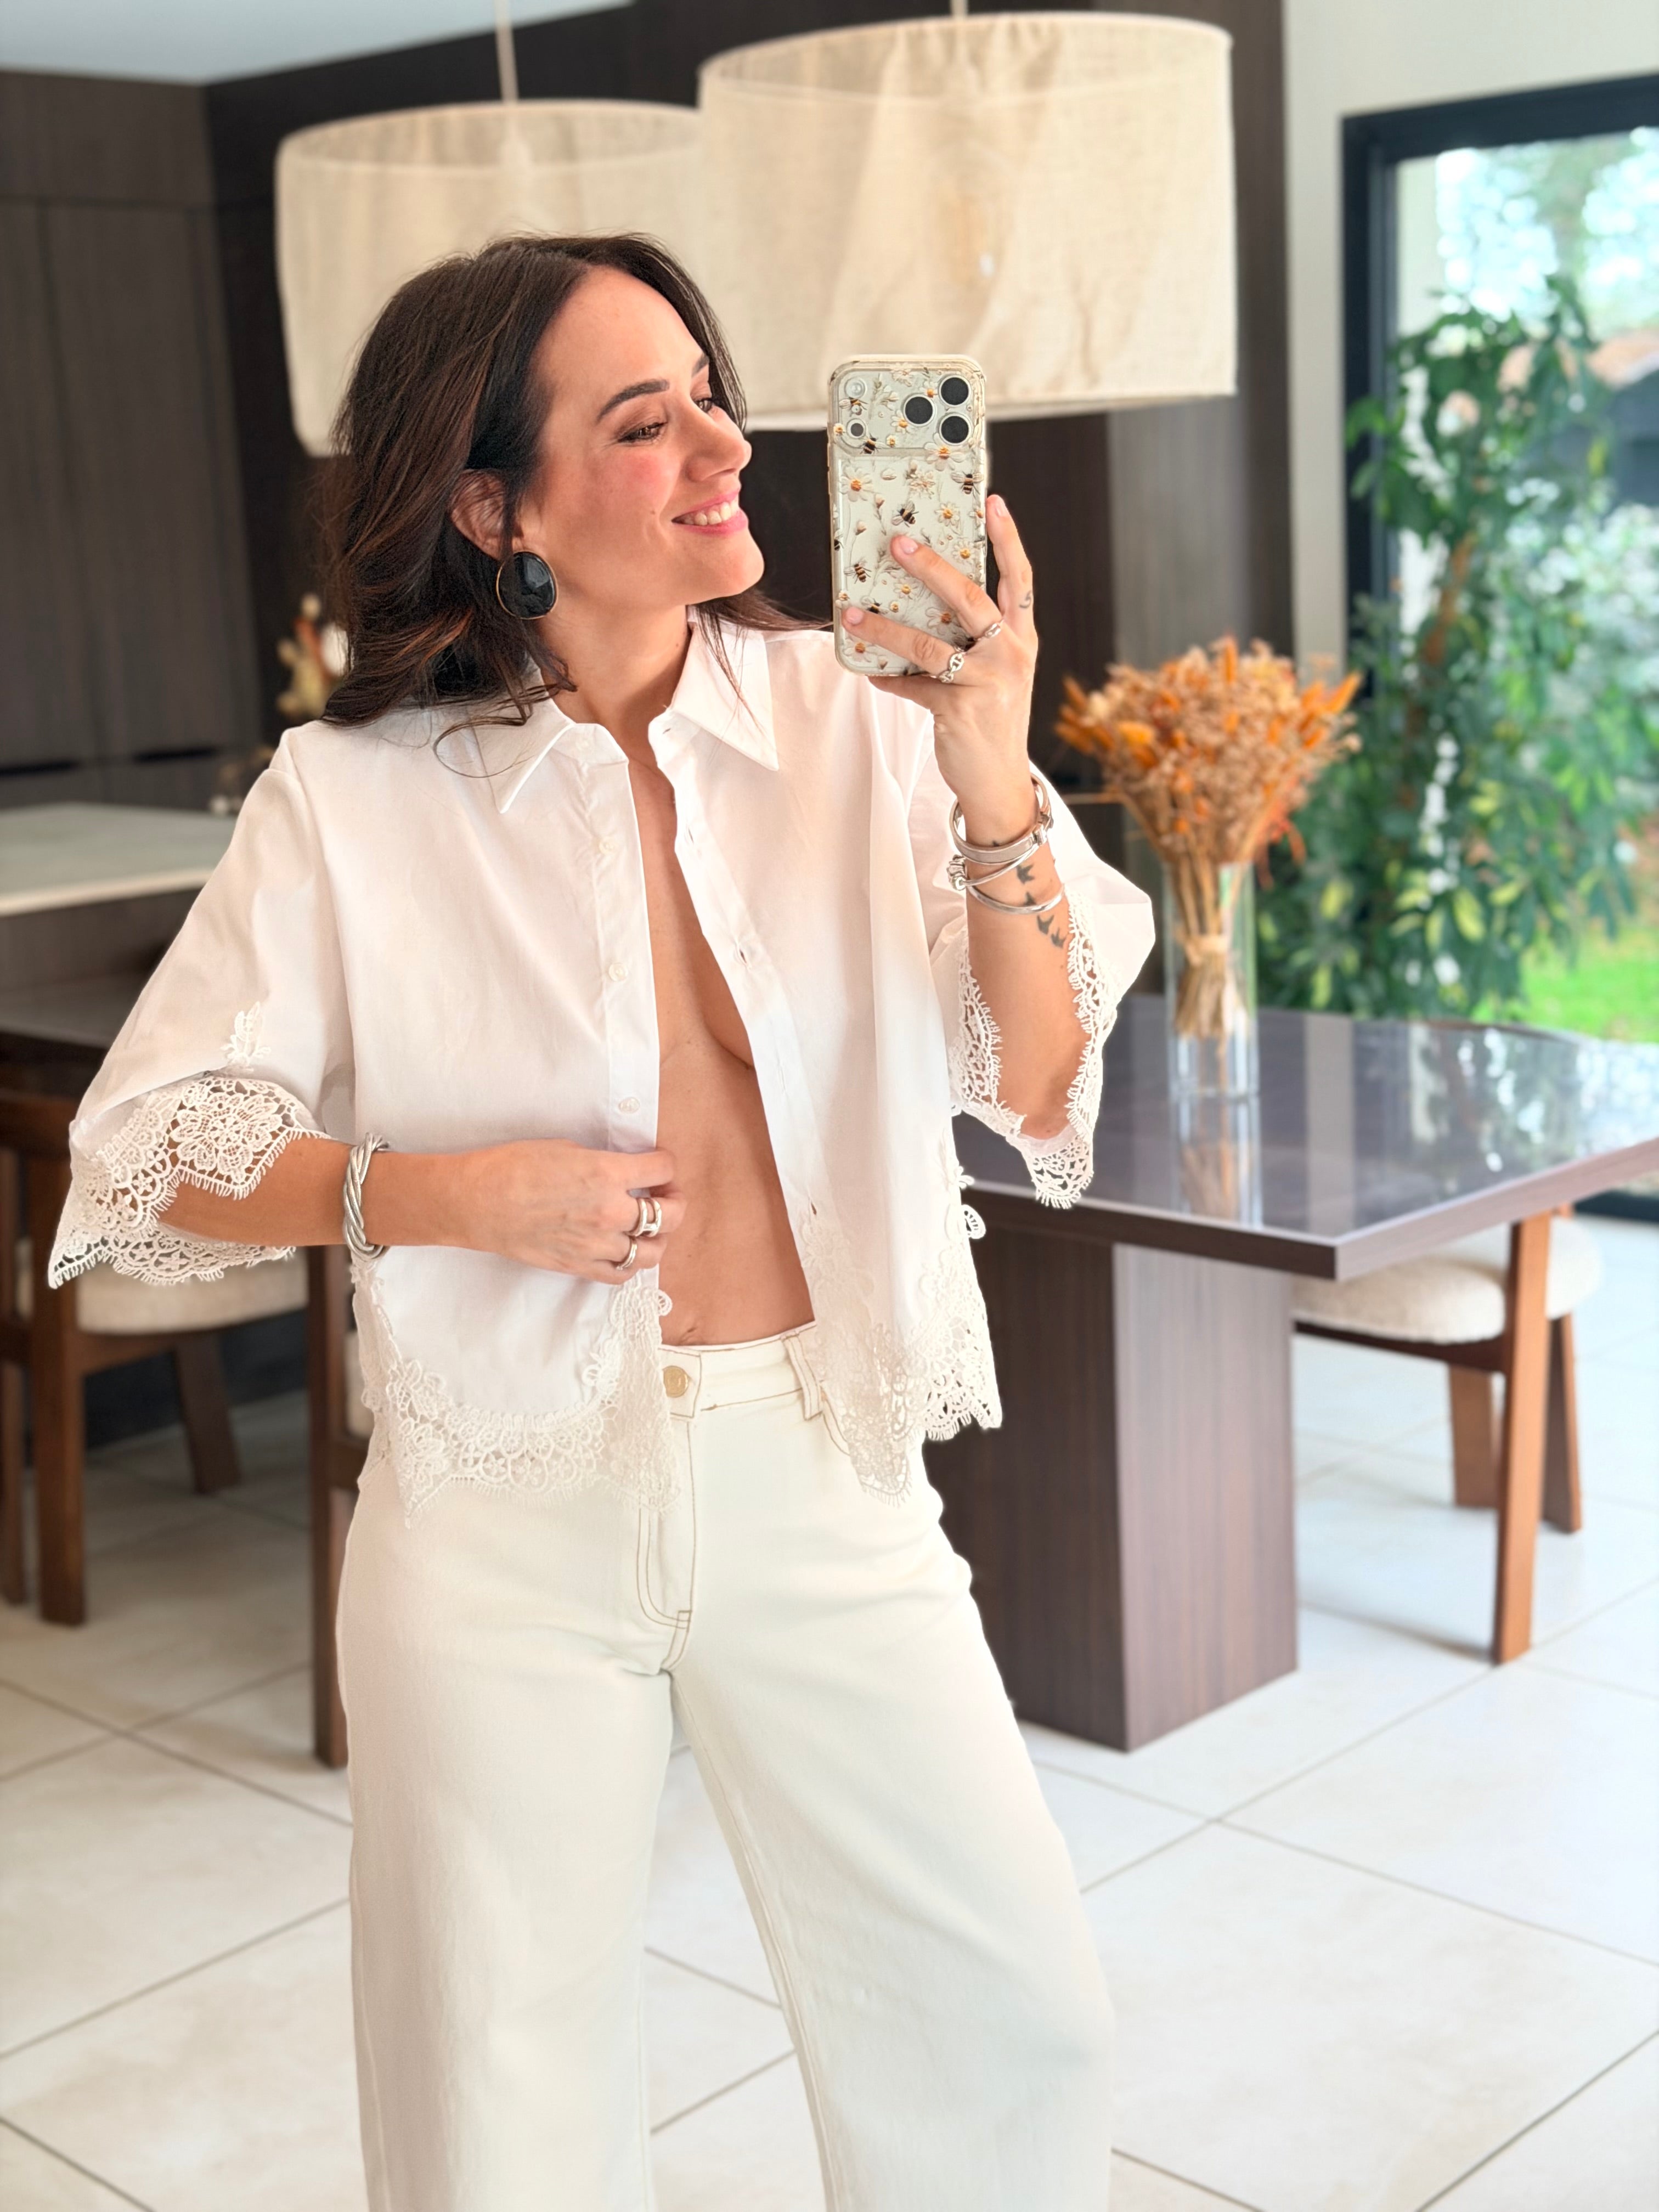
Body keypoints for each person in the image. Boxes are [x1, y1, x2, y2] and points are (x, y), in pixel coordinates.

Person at [50, 234, 1153, 2210]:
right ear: (495, 507)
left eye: (714, 395)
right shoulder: (353, 798)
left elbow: (1042, 1071)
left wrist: (990, 763)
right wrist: (429, 1194)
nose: (728, 447)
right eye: (648, 422)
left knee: (1010, 2024)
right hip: (503, 1516)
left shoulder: (862, 717)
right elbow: (145, 1149)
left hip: (824, 1471)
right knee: (504, 2108)